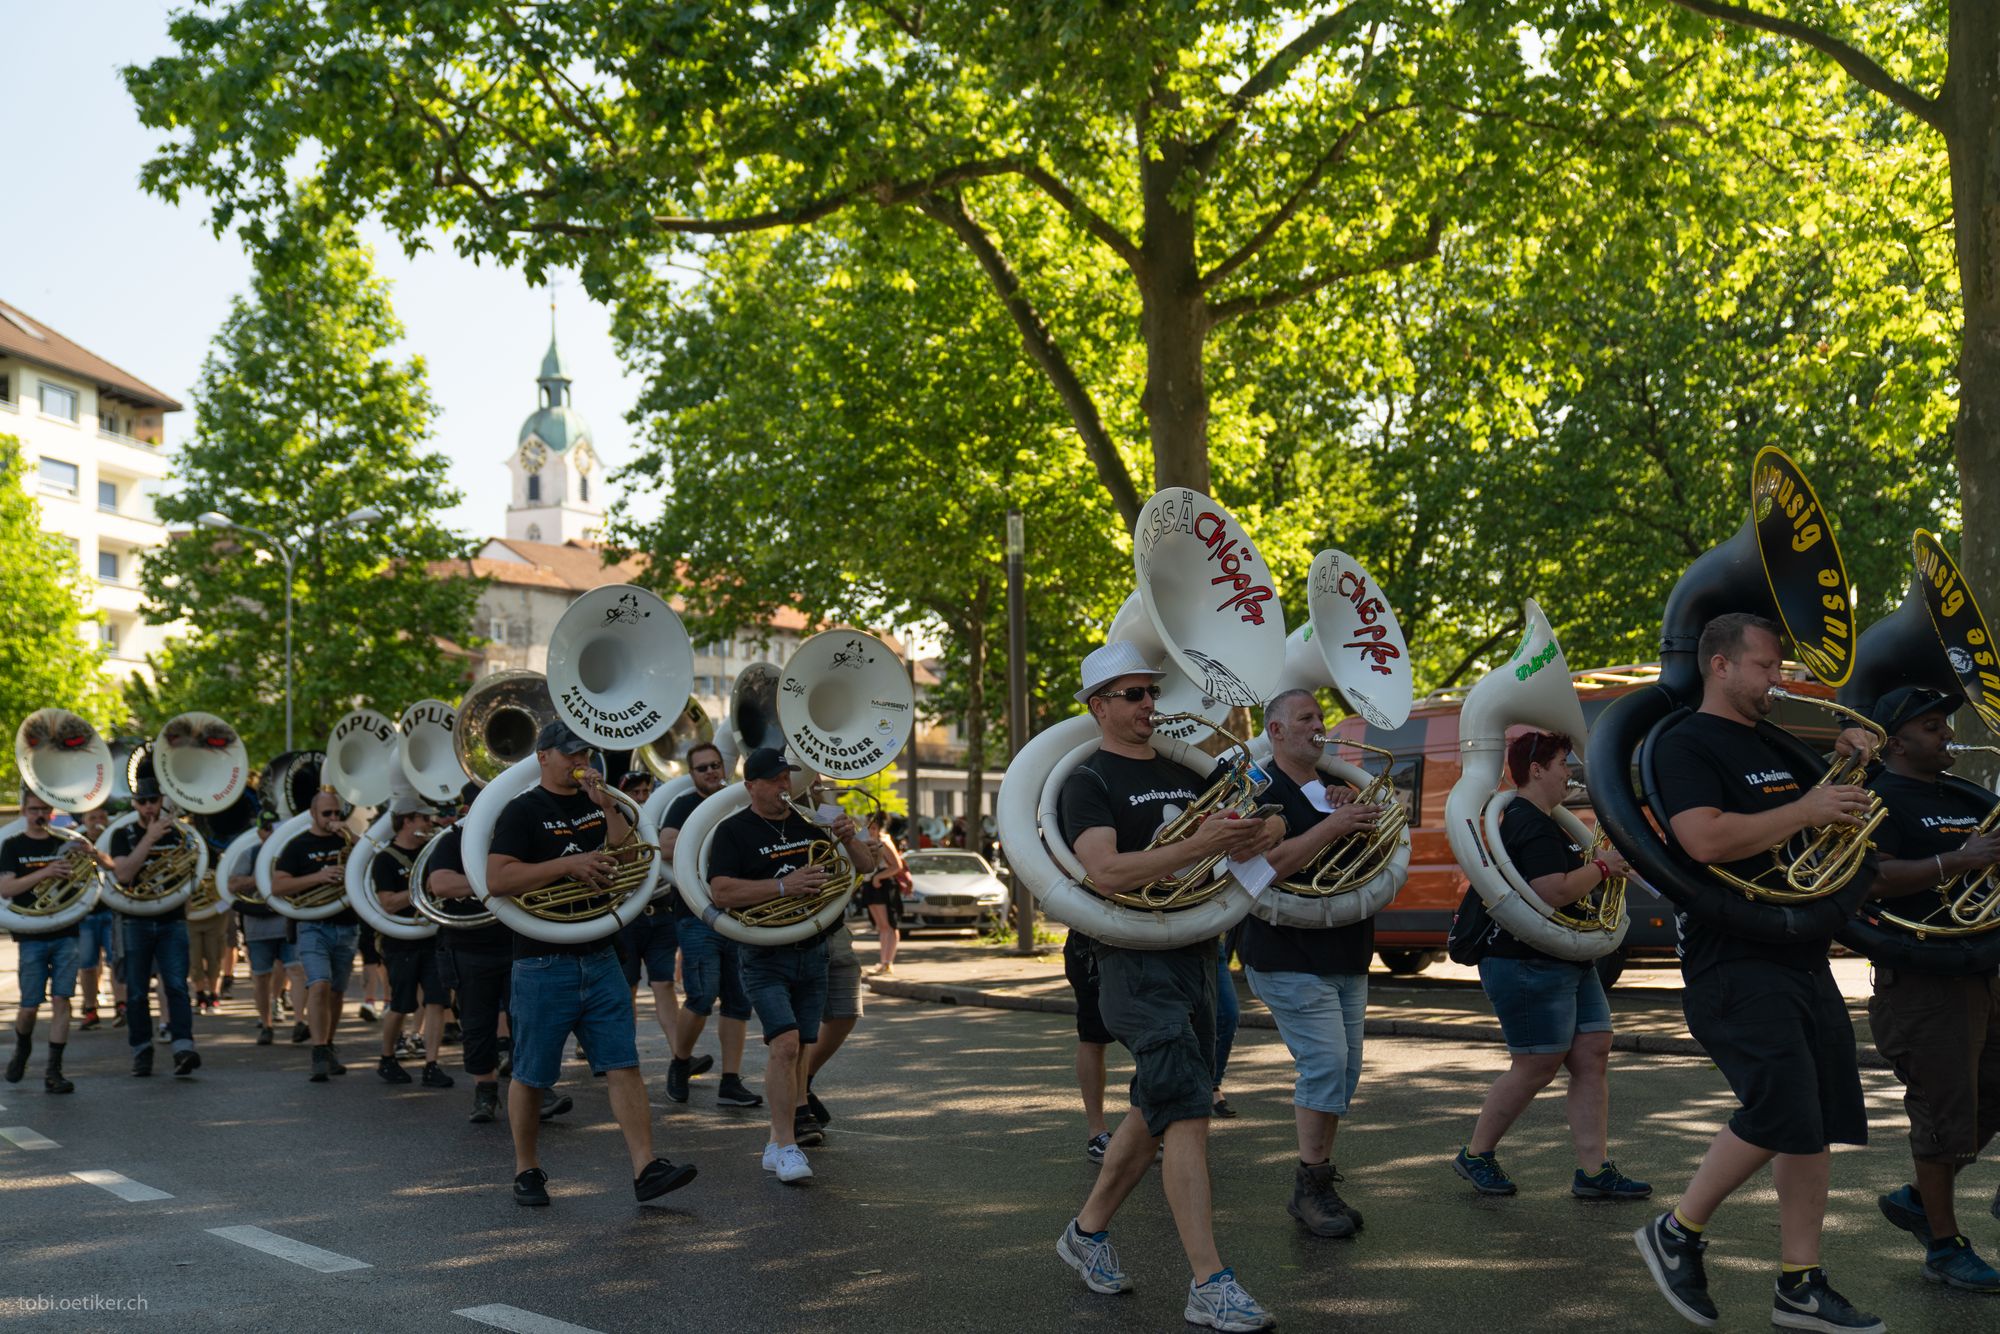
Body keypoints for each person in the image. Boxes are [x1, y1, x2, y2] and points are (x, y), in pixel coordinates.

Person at [1633, 612, 1885, 1333]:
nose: (1780, 679)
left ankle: (1800, 1283)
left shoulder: (1774, 741)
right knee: (1781, 1108)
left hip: (1800, 951)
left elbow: (1819, 812)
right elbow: (1703, 837)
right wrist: (1807, 806)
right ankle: (1676, 1230)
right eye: (1768, 667)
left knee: (1815, 1121)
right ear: (1721, 666)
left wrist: (1850, 765)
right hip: (1733, 955)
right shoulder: (1684, 742)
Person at [1052, 641, 1286, 1332]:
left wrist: (1258, 830)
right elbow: (1107, 873)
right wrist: (1203, 844)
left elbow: (1270, 822)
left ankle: (1086, 1233)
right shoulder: (1087, 780)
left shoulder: (1189, 769)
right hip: (1129, 957)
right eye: (1132, 694)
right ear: (1099, 706)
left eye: (1150, 692)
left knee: (1160, 1102)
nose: (1150, 703)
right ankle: (1210, 1282)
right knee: (1187, 1108)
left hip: (1195, 951)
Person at [486, 720, 695, 1206]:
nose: (581, 763)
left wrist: (610, 811)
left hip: (600, 951)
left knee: (624, 1064)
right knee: (532, 1073)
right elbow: (498, 878)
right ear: (543, 757)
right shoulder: (522, 811)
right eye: (570, 755)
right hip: (542, 959)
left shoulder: (598, 804)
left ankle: (646, 1168)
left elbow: (629, 859)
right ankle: (527, 1168)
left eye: (585, 754)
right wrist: (568, 864)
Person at [1450, 728, 1649, 1203]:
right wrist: (1602, 868)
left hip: (1563, 956)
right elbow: (1551, 890)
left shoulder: (1541, 820)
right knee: (1537, 1063)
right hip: (1525, 962)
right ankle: (1476, 1154)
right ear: (1536, 770)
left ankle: (1594, 1170)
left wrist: (1594, 865)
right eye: (1563, 764)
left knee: (1592, 1050)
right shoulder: (1528, 821)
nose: (1570, 773)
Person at [1860, 685, 2000, 1292]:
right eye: (1932, 726)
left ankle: (1920, 1199)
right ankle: (1944, 1247)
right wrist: (1960, 862)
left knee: (1989, 1095)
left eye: (1946, 724)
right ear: (1895, 741)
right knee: (1943, 1111)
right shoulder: (1877, 799)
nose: (1946, 734)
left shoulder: (1963, 796)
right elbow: (1870, 879)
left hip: (1983, 963)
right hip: (1922, 976)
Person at [1235, 687, 1389, 1236]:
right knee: (1325, 1065)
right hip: (1285, 952)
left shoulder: (1339, 789)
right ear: (1275, 732)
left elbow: (1372, 861)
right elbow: (1261, 868)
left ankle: (1318, 1180)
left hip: (1346, 949)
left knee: (1343, 1074)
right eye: (1306, 718)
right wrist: (1329, 828)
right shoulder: (1255, 789)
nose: (1319, 726)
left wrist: (1353, 817)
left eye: (1321, 717)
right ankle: (1310, 1185)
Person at [706, 746, 877, 1183]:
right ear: (751, 786)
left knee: (799, 1047)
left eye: (787, 778)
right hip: (765, 954)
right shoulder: (733, 831)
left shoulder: (810, 822)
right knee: (783, 1045)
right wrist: (783, 887)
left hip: (814, 948)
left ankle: (775, 1141)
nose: (785, 786)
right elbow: (721, 892)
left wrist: (849, 838)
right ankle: (786, 1145)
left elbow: (864, 868)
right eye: (775, 780)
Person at [426, 779, 571, 1126]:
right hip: (468, 947)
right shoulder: (453, 840)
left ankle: (538, 1091)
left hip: (517, 942)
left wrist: (510, 879)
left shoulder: (513, 833)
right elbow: (440, 883)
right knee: (477, 1025)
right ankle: (485, 1092)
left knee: (527, 1021)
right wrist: (496, 882)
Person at [664, 741, 761, 1109]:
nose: (710, 772)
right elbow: (667, 845)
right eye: (702, 767)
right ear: (692, 775)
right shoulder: (685, 804)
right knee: (702, 995)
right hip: (697, 914)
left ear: (724, 767)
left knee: (738, 1000)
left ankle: (731, 1081)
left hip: (740, 913)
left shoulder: (740, 801)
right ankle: (679, 1061)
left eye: (715, 765)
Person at [2, 791, 106, 1093]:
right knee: (29, 1007)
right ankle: (22, 1049)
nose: (40, 814)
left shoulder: (64, 842)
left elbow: (101, 871)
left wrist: (92, 853)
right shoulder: (13, 846)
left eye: (45, 809)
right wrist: (47, 871)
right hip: (31, 935)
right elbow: (6, 888)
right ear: (24, 811)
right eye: (34, 809)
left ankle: (54, 1071)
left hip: (66, 932)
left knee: (63, 1000)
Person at [109, 778, 201, 1078]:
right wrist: (148, 839)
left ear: (161, 801)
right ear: (134, 804)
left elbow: (193, 871)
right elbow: (122, 874)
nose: (149, 806)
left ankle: (184, 1048)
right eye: (143, 801)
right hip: (135, 918)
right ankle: (141, 1051)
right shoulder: (123, 835)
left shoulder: (179, 834)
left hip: (172, 918)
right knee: (136, 991)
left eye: (153, 800)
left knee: (176, 985)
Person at [272, 788, 362, 1081]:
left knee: (336, 991)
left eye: (337, 813)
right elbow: (278, 886)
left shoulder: (347, 842)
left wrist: (351, 835)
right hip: (312, 925)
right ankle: (319, 1050)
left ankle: (329, 1045)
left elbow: (369, 863)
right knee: (319, 984)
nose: (333, 818)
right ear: (312, 815)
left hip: (346, 925)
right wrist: (319, 877)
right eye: (327, 814)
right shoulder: (298, 846)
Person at [370, 795, 453, 1088]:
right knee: (401, 1004)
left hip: (432, 938)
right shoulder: (385, 859)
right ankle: (387, 1057)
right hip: (401, 942)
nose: (430, 824)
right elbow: (388, 903)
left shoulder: (431, 854)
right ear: (407, 821)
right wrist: (420, 890)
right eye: (424, 819)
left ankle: (432, 1064)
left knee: (436, 1001)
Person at [233, 810, 291, 1044]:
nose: (271, 832)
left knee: (295, 970)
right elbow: (232, 885)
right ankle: (266, 1024)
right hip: (258, 925)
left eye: (275, 828)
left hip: (285, 920)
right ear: (259, 831)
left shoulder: (288, 853)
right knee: (261, 976)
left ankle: (300, 1021)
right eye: (266, 828)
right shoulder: (250, 854)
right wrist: (262, 878)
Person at [1064, 922, 1118, 1164]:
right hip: (1089, 945)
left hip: (1145, 942)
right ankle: (1097, 1132)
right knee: (1093, 1038)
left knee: (1152, 1042)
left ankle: (1149, 1129)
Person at [75, 805, 118, 1030]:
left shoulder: (115, 838)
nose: (98, 820)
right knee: (87, 964)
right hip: (86, 912)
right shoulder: (75, 841)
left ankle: (121, 1006)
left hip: (112, 908)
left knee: (116, 961)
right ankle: (91, 1009)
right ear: (84, 820)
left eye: (102, 816)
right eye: (93, 817)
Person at [859, 809, 905, 976]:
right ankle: (883, 961)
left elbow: (897, 865)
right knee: (881, 926)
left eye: (872, 826)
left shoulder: (884, 841)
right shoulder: (869, 840)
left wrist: (879, 877)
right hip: (872, 884)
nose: (869, 829)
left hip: (883, 885)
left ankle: (887, 962)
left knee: (888, 926)